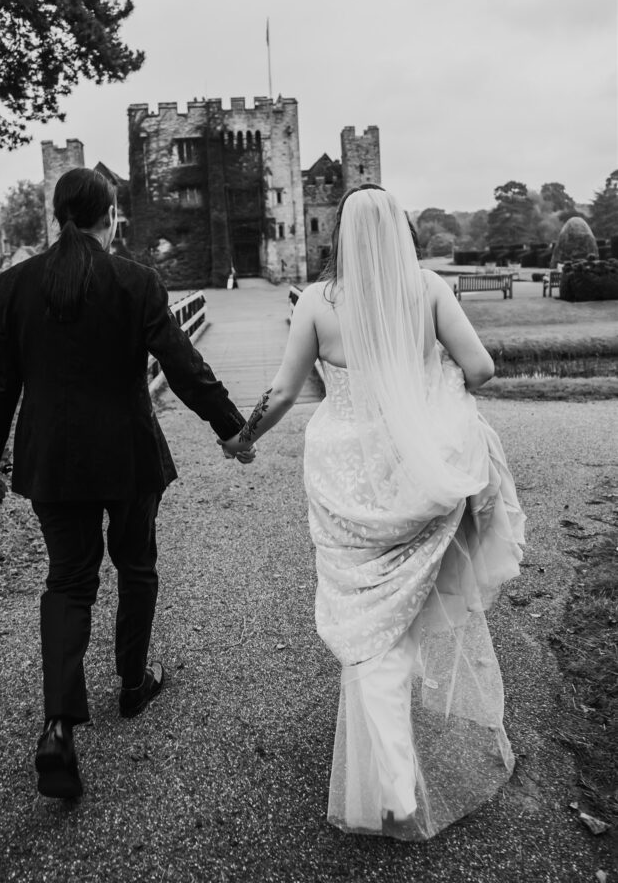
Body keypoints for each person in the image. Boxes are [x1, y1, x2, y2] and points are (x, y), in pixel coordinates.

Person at [221, 184, 525, 841]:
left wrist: (243, 438)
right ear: (401, 233)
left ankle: (391, 782)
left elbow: (280, 391)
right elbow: (481, 369)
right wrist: (425, 388)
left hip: (347, 479)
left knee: (367, 626)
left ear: (340, 237)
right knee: (406, 608)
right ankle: (391, 772)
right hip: (419, 475)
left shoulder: (318, 303)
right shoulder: (429, 290)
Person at [0, 167, 254, 801]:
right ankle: (132, 684)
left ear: (55, 216)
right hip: (127, 455)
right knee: (136, 565)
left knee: (69, 580)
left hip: (53, 462)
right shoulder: (135, 281)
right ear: (111, 217)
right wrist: (231, 429)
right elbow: (182, 363)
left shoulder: (12, 286)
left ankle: (58, 727)